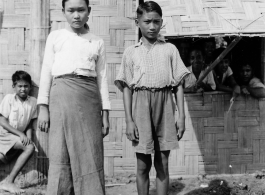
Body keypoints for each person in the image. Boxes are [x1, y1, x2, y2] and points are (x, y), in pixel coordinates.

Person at [114, 2, 190, 195]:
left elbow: (178, 85)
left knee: (163, 163)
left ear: (162, 23)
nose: (152, 26)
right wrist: (129, 121)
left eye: (156, 22)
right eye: (147, 21)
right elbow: (126, 89)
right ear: (137, 22)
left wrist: (181, 117)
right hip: (141, 106)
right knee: (143, 164)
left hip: (165, 105)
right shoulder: (131, 52)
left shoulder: (170, 49)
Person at [37, 0, 111, 194]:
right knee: (59, 151)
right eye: (71, 10)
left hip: (89, 98)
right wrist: (43, 106)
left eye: (81, 10)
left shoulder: (97, 41)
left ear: (89, 12)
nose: (76, 15)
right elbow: (46, 71)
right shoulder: (56, 37)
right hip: (60, 97)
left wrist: (105, 113)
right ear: (64, 12)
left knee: (90, 151)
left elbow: (102, 78)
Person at [0, 71, 37, 194]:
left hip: (15, 137)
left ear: (30, 87)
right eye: (19, 86)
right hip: (3, 134)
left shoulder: (33, 102)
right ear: (14, 87)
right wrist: (21, 135)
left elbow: (30, 124)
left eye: (26, 86)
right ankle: (8, 182)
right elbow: (2, 121)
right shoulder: (9, 99)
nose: (23, 89)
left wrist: (29, 137)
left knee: (29, 147)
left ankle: (7, 182)